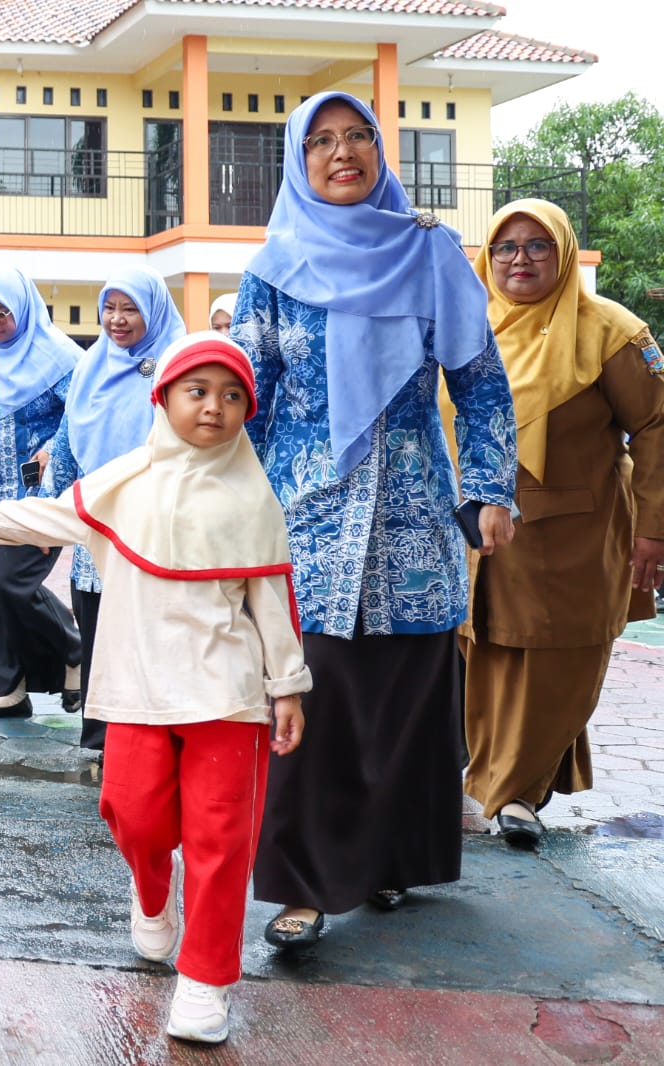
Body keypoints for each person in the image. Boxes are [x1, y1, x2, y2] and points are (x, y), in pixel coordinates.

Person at [0, 332, 308, 1044]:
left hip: (228, 693)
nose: (213, 408)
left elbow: (272, 601)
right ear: (163, 398)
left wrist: (287, 688)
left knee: (220, 838)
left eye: (232, 396)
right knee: (134, 814)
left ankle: (206, 980)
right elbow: (50, 516)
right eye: (197, 391)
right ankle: (152, 889)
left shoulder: (255, 498)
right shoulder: (121, 483)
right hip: (137, 686)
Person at [234, 91, 517, 947]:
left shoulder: (430, 253)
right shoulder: (273, 269)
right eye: (320, 141)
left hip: (411, 514)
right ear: (298, 160)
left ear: (380, 151)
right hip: (306, 519)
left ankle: (393, 858)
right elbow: (246, 396)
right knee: (308, 692)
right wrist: (216, 499)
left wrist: (489, 490)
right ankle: (304, 886)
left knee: (405, 696)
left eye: (358, 135)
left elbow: (481, 385)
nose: (342, 152)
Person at [459, 199, 664, 849]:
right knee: (493, 658)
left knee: (561, 661)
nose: (519, 259)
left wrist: (654, 529)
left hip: (576, 536)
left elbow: (656, 428)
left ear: (565, 252)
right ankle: (515, 784)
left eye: (537, 245)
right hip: (477, 535)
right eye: (505, 247)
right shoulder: (468, 325)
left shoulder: (611, 331)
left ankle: (513, 792)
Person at [43, 265, 185, 750]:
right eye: (109, 308)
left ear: (154, 311)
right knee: (98, 630)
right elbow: (66, 441)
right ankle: (101, 739)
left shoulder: (178, 365)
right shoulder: (91, 365)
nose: (117, 320)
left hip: (155, 525)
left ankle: (146, 741)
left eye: (130, 309)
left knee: (146, 635)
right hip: (97, 524)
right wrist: (50, 512)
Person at [0, 266, 82, 721]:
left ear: (25, 309)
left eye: (1, 313)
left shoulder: (61, 357)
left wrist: (52, 449)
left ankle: (74, 650)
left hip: (38, 496)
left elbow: (81, 415)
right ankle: (10, 689)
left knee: (13, 583)